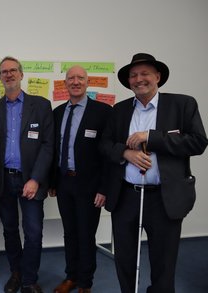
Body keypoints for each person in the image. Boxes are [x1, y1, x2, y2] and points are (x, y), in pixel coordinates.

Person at [100, 53, 208, 293]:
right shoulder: (118, 110)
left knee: (164, 260)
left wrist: (152, 137)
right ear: (129, 81)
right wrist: (125, 154)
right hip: (126, 197)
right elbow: (104, 144)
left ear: (157, 76)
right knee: (125, 258)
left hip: (164, 197)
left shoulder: (182, 104)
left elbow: (198, 142)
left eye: (145, 73)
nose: (139, 79)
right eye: (133, 75)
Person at [0, 56, 54, 293]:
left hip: (30, 180)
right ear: (0, 77)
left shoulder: (42, 105)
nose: (9, 74)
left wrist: (35, 178)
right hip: (4, 179)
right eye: (4, 71)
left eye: (13, 70)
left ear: (21, 74)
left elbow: (48, 145)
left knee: (34, 232)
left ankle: (29, 278)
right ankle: (16, 272)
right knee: (10, 230)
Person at [49, 66, 111, 293]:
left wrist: (104, 188)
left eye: (80, 78)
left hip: (90, 186)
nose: (75, 82)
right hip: (65, 183)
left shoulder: (103, 112)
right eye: (71, 78)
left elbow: (108, 155)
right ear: (65, 83)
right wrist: (53, 182)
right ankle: (71, 277)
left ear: (87, 82)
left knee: (86, 234)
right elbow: (55, 150)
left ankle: (85, 283)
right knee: (70, 233)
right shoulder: (57, 112)